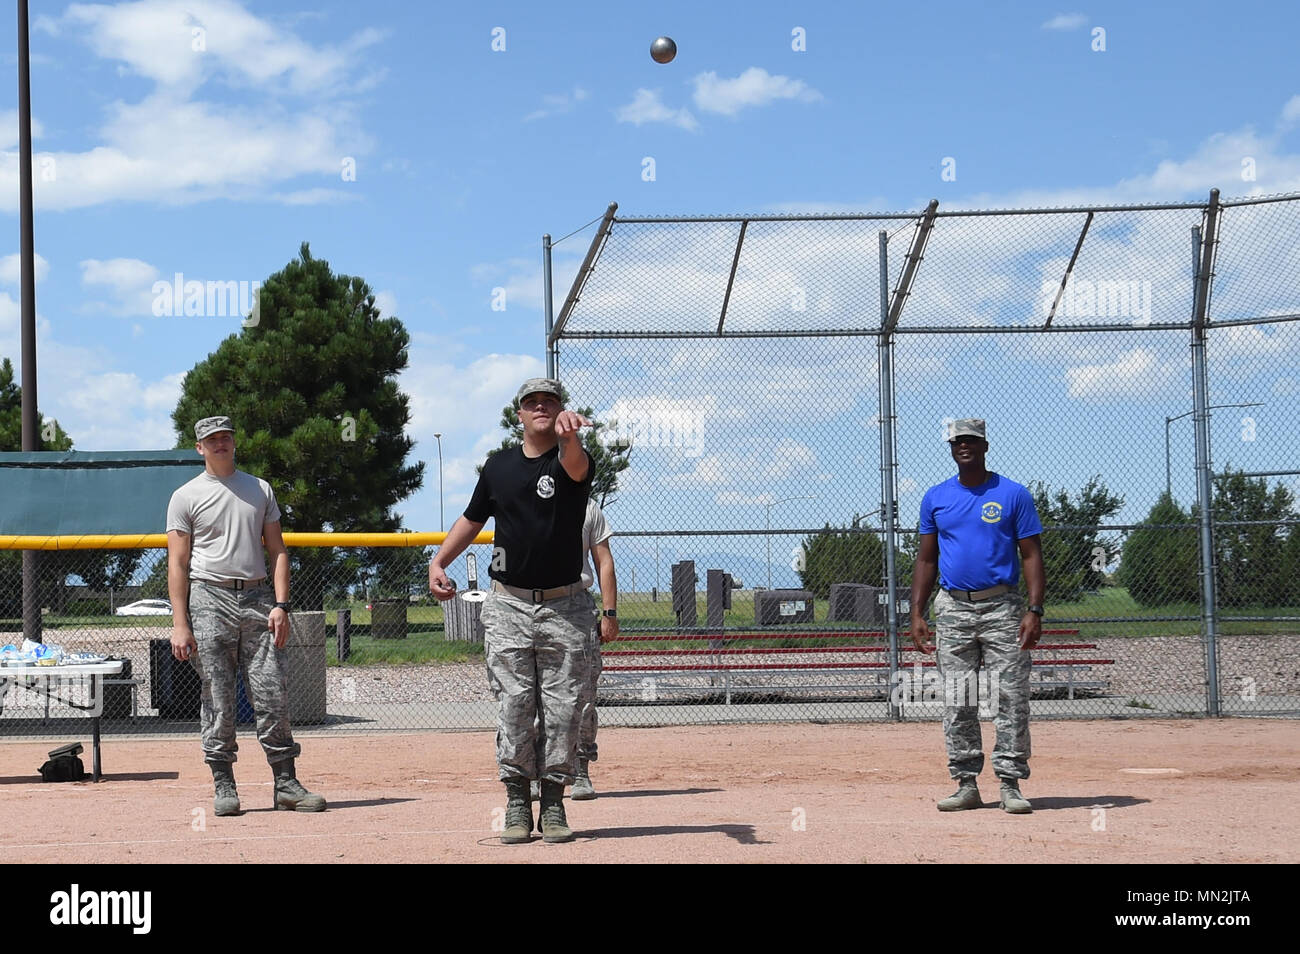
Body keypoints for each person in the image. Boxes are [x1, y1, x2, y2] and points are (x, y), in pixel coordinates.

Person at [429, 378, 594, 844]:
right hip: (509, 605)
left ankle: (556, 803)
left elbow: (577, 466)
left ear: (563, 410)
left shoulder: (570, 460)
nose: (540, 407)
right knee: (515, 706)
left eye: (550, 401)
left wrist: (570, 439)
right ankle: (518, 800)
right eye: (531, 403)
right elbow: (472, 518)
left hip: (566, 606)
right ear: (518, 415)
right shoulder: (498, 467)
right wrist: (439, 560)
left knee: (563, 710)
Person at [167, 415, 325, 816]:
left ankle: (286, 783)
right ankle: (224, 783)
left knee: (273, 692)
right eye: (211, 439)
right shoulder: (185, 496)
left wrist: (281, 604)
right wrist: (181, 624)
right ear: (199, 447)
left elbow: (278, 550)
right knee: (218, 696)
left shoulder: (259, 489)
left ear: (234, 442)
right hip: (209, 597)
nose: (220, 443)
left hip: (257, 596)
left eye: (225, 437)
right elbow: (178, 564)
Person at [909, 419, 1045, 814]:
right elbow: (926, 558)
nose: (964, 446)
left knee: (1011, 696)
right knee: (958, 698)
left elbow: (1032, 554)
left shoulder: (1013, 494)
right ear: (951, 448)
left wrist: (1034, 610)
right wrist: (917, 612)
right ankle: (966, 782)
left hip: (1003, 606)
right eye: (957, 441)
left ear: (985, 446)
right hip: (953, 607)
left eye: (971, 441)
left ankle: (1010, 783)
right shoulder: (936, 497)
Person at [532, 498, 618, 802]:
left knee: (582, 695)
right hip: (532, 608)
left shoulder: (587, 506)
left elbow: (603, 560)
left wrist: (609, 614)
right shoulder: (522, 496)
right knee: (534, 698)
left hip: (576, 607)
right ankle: (534, 772)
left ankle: (581, 768)